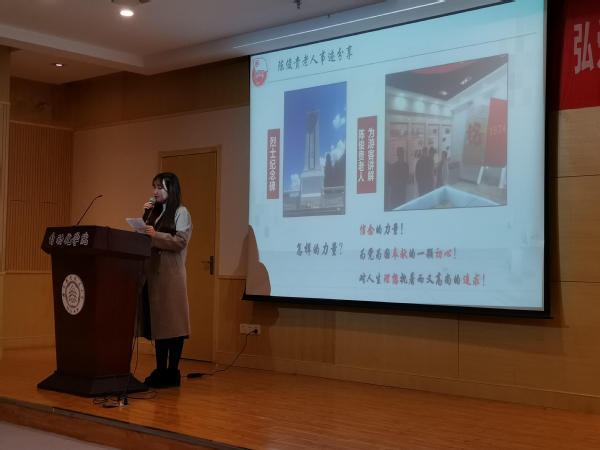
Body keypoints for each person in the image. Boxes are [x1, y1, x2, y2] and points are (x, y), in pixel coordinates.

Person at [138, 172, 192, 388]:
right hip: (153, 276)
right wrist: (144, 217)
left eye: (160, 187)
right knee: (159, 327)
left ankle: (172, 371)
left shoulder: (181, 212)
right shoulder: (155, 213)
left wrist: (155, 235)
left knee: (174, 326)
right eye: (154, 187)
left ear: (172, 190)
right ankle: (161, 370)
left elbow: (180, 241)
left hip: (171, 277)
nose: (155, 192)